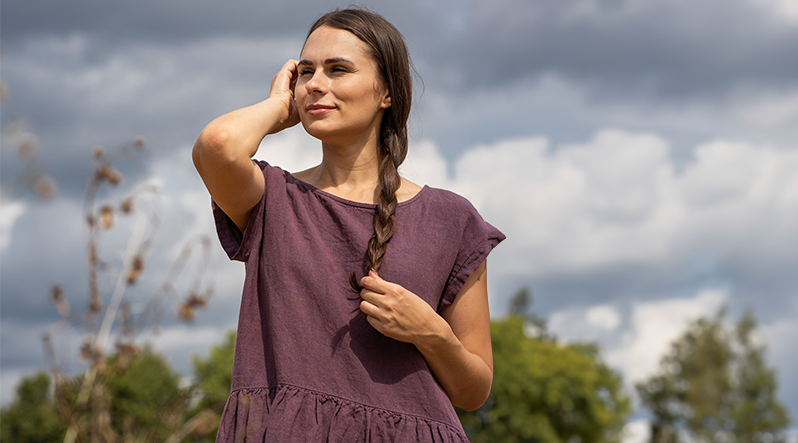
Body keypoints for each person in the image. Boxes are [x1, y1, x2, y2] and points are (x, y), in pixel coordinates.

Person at [193, 7, 505, 442]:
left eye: (338, 69)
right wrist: (277, 106)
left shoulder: (451, 219)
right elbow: (218, 145)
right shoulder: (272, 199)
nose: (315, 84)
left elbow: (473, 392)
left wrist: (432, 334)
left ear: (387, 92)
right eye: (306, 72)